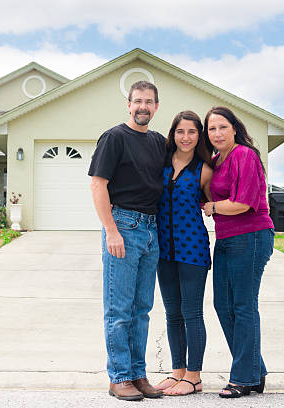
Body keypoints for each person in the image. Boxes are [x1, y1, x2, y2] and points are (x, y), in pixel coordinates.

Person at [88, 81, 166, 401]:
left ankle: (137, 373)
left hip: (151, 229)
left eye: (148, 101)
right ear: (128, 105)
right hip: (123, 226)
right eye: (137, 101)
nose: (142, 106)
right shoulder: (114, 138)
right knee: (119, 309)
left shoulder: (159, 143)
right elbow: (97, 185)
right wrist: (111, 230)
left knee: (142, 309)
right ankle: (118, 376)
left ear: (156, 107)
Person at [202, 106, 274, 399]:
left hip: (252, 236)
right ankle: (255, 371)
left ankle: (243, 378)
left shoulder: (245, 155)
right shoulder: (217, 160)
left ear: (234, 128)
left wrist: (213, 207)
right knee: (223, 305)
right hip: (227, 238)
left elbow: (243, 203)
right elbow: (212, 192)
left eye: (222, 127)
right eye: (211, 129)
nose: (217, 133)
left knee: (243, 306)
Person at [154, 111, 213, 396]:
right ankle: (178, 372)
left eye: (192, 132)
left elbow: (218, 200)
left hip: (193, 250)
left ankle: (194, 376)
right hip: (163, 249)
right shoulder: (161, 164)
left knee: (191, 312)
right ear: (173, 134)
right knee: (171, 313)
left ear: (199, 135)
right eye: (180, 131)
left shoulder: (205, 170)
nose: (186, 137)